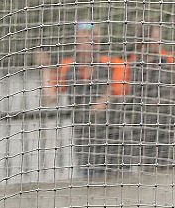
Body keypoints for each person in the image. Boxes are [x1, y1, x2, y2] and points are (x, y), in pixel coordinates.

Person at [37, 22, 125, 176]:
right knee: (89, 180)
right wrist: (45, 67)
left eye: (93, 38)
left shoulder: (115, 64)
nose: (89, 42)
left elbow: (118, 92)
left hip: (114, 138)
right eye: (85, 38)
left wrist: (102, 101)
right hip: (84, 140)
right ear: (77, 42)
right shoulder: (67, 66)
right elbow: (49, 98)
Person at [121, 23, 175, 168]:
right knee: (148, 168)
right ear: (144, 40)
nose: (158, 42)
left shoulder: (167, 62)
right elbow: (127, 96)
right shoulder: (132, 65)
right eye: (154, 38)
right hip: (143, 129)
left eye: (159, 38)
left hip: (167, 127)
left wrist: (163, 101)